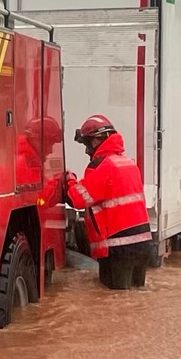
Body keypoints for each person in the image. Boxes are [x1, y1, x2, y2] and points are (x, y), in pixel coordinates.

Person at [63, 115, 155, 289]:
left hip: (118, 248)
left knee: (115, 302)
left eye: (86, 144)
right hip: (143, 245)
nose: (86, 151)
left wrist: (69, 179)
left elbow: (77, 199)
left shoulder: (102, 166)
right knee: (135, 299)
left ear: (97, 140)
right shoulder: (129, 164)